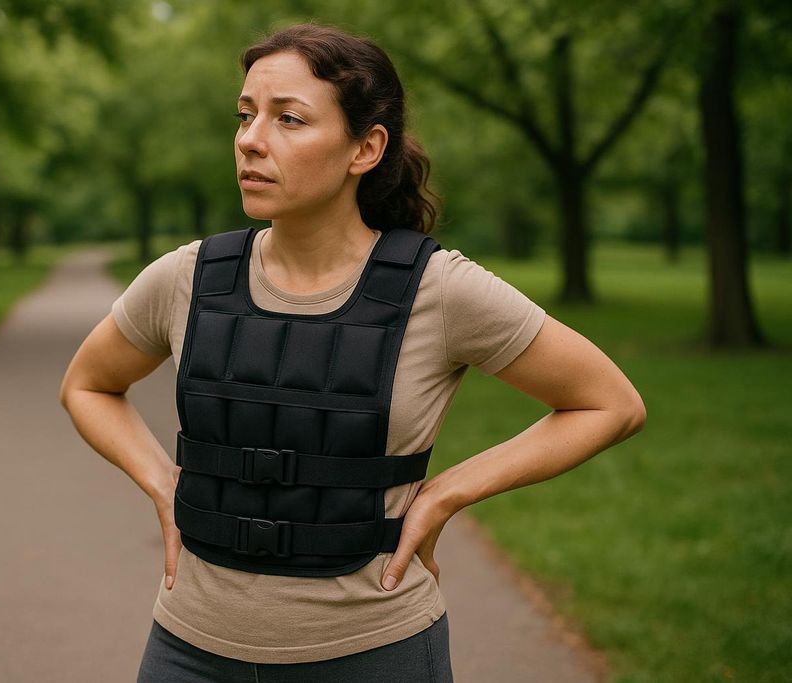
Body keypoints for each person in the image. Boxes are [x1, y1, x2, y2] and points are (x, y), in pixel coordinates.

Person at [59, 21, 646, 683]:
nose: (250, 140)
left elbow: (610, 403)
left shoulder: (437, 289)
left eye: (289, 119)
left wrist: (447, 492)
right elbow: (86, 384)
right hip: (188, 651)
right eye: (245, 115)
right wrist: (163, 484)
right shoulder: (187, 277)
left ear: (365, 147)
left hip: (373, 655)